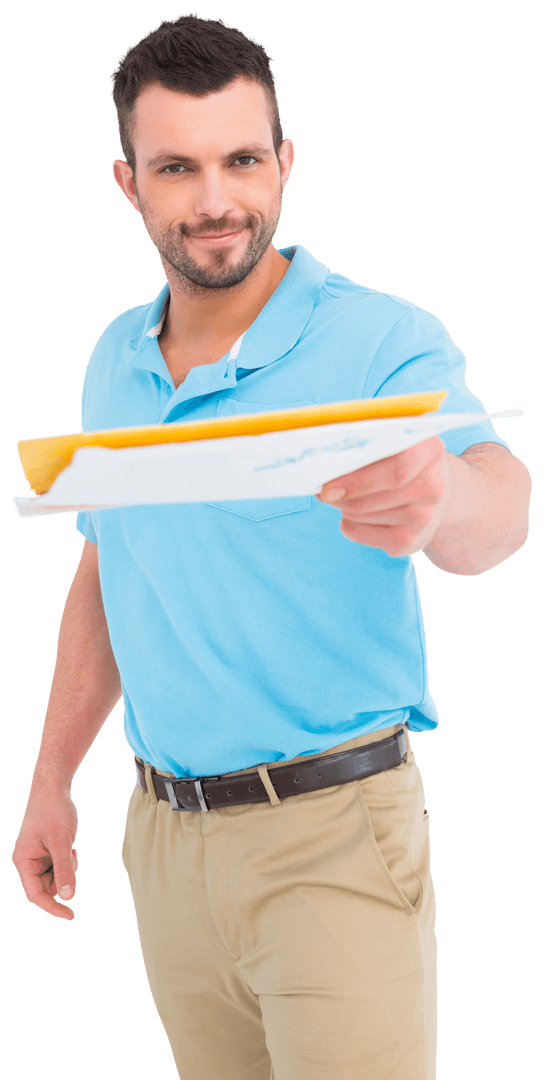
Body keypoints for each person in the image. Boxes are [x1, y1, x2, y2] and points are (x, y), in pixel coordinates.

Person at [11, 13, 531, 1080]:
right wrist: (51, 776)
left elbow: (500, 504)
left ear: (284, 163)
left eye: (242, 160)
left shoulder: (381, 340)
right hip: (162, 841)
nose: (216, 201)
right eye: (178, 168)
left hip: (332, 837)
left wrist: (438, 500)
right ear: (130, 185)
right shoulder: (113, 359)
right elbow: (109, 568)